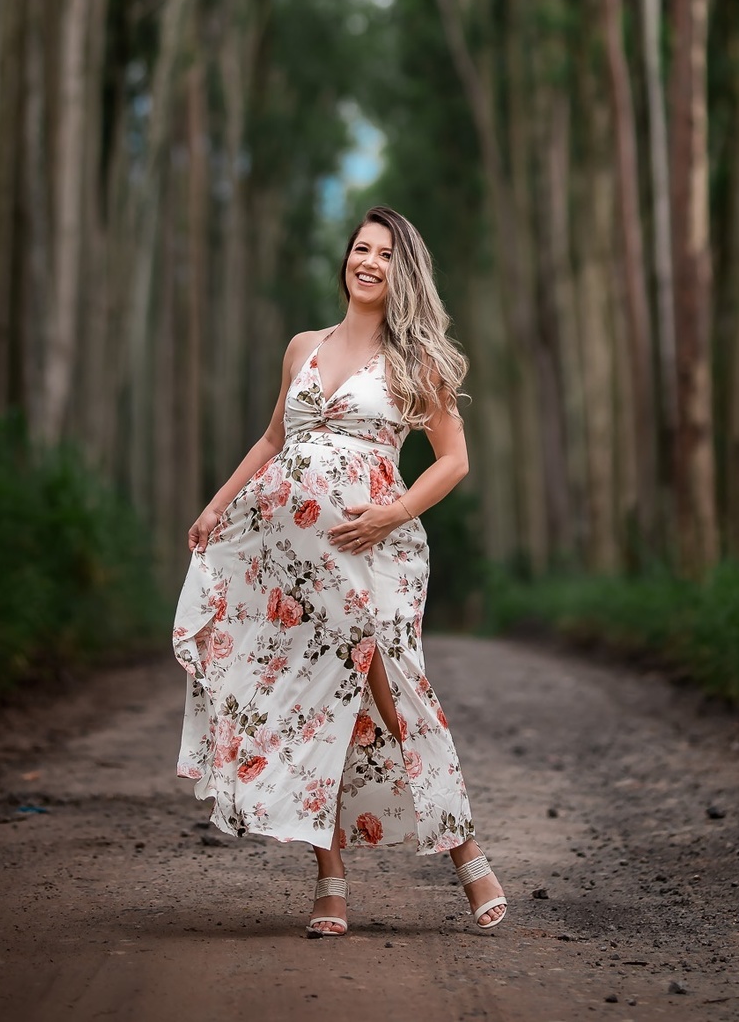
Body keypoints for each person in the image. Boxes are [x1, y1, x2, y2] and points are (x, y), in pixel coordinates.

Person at [172, 205, 507, 938]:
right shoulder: (303, 346)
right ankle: (329, 876)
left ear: (402, 271)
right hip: (288, 564)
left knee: (399, 696)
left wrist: (392, 513)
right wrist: (214, 506)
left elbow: (454, 460)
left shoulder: (414, 360)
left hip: (368, 550)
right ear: (346, 259)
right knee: (310, 707)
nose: (370, 261)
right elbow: (270, 439)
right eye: (362, 247)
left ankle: (467, 852)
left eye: (386, 253)